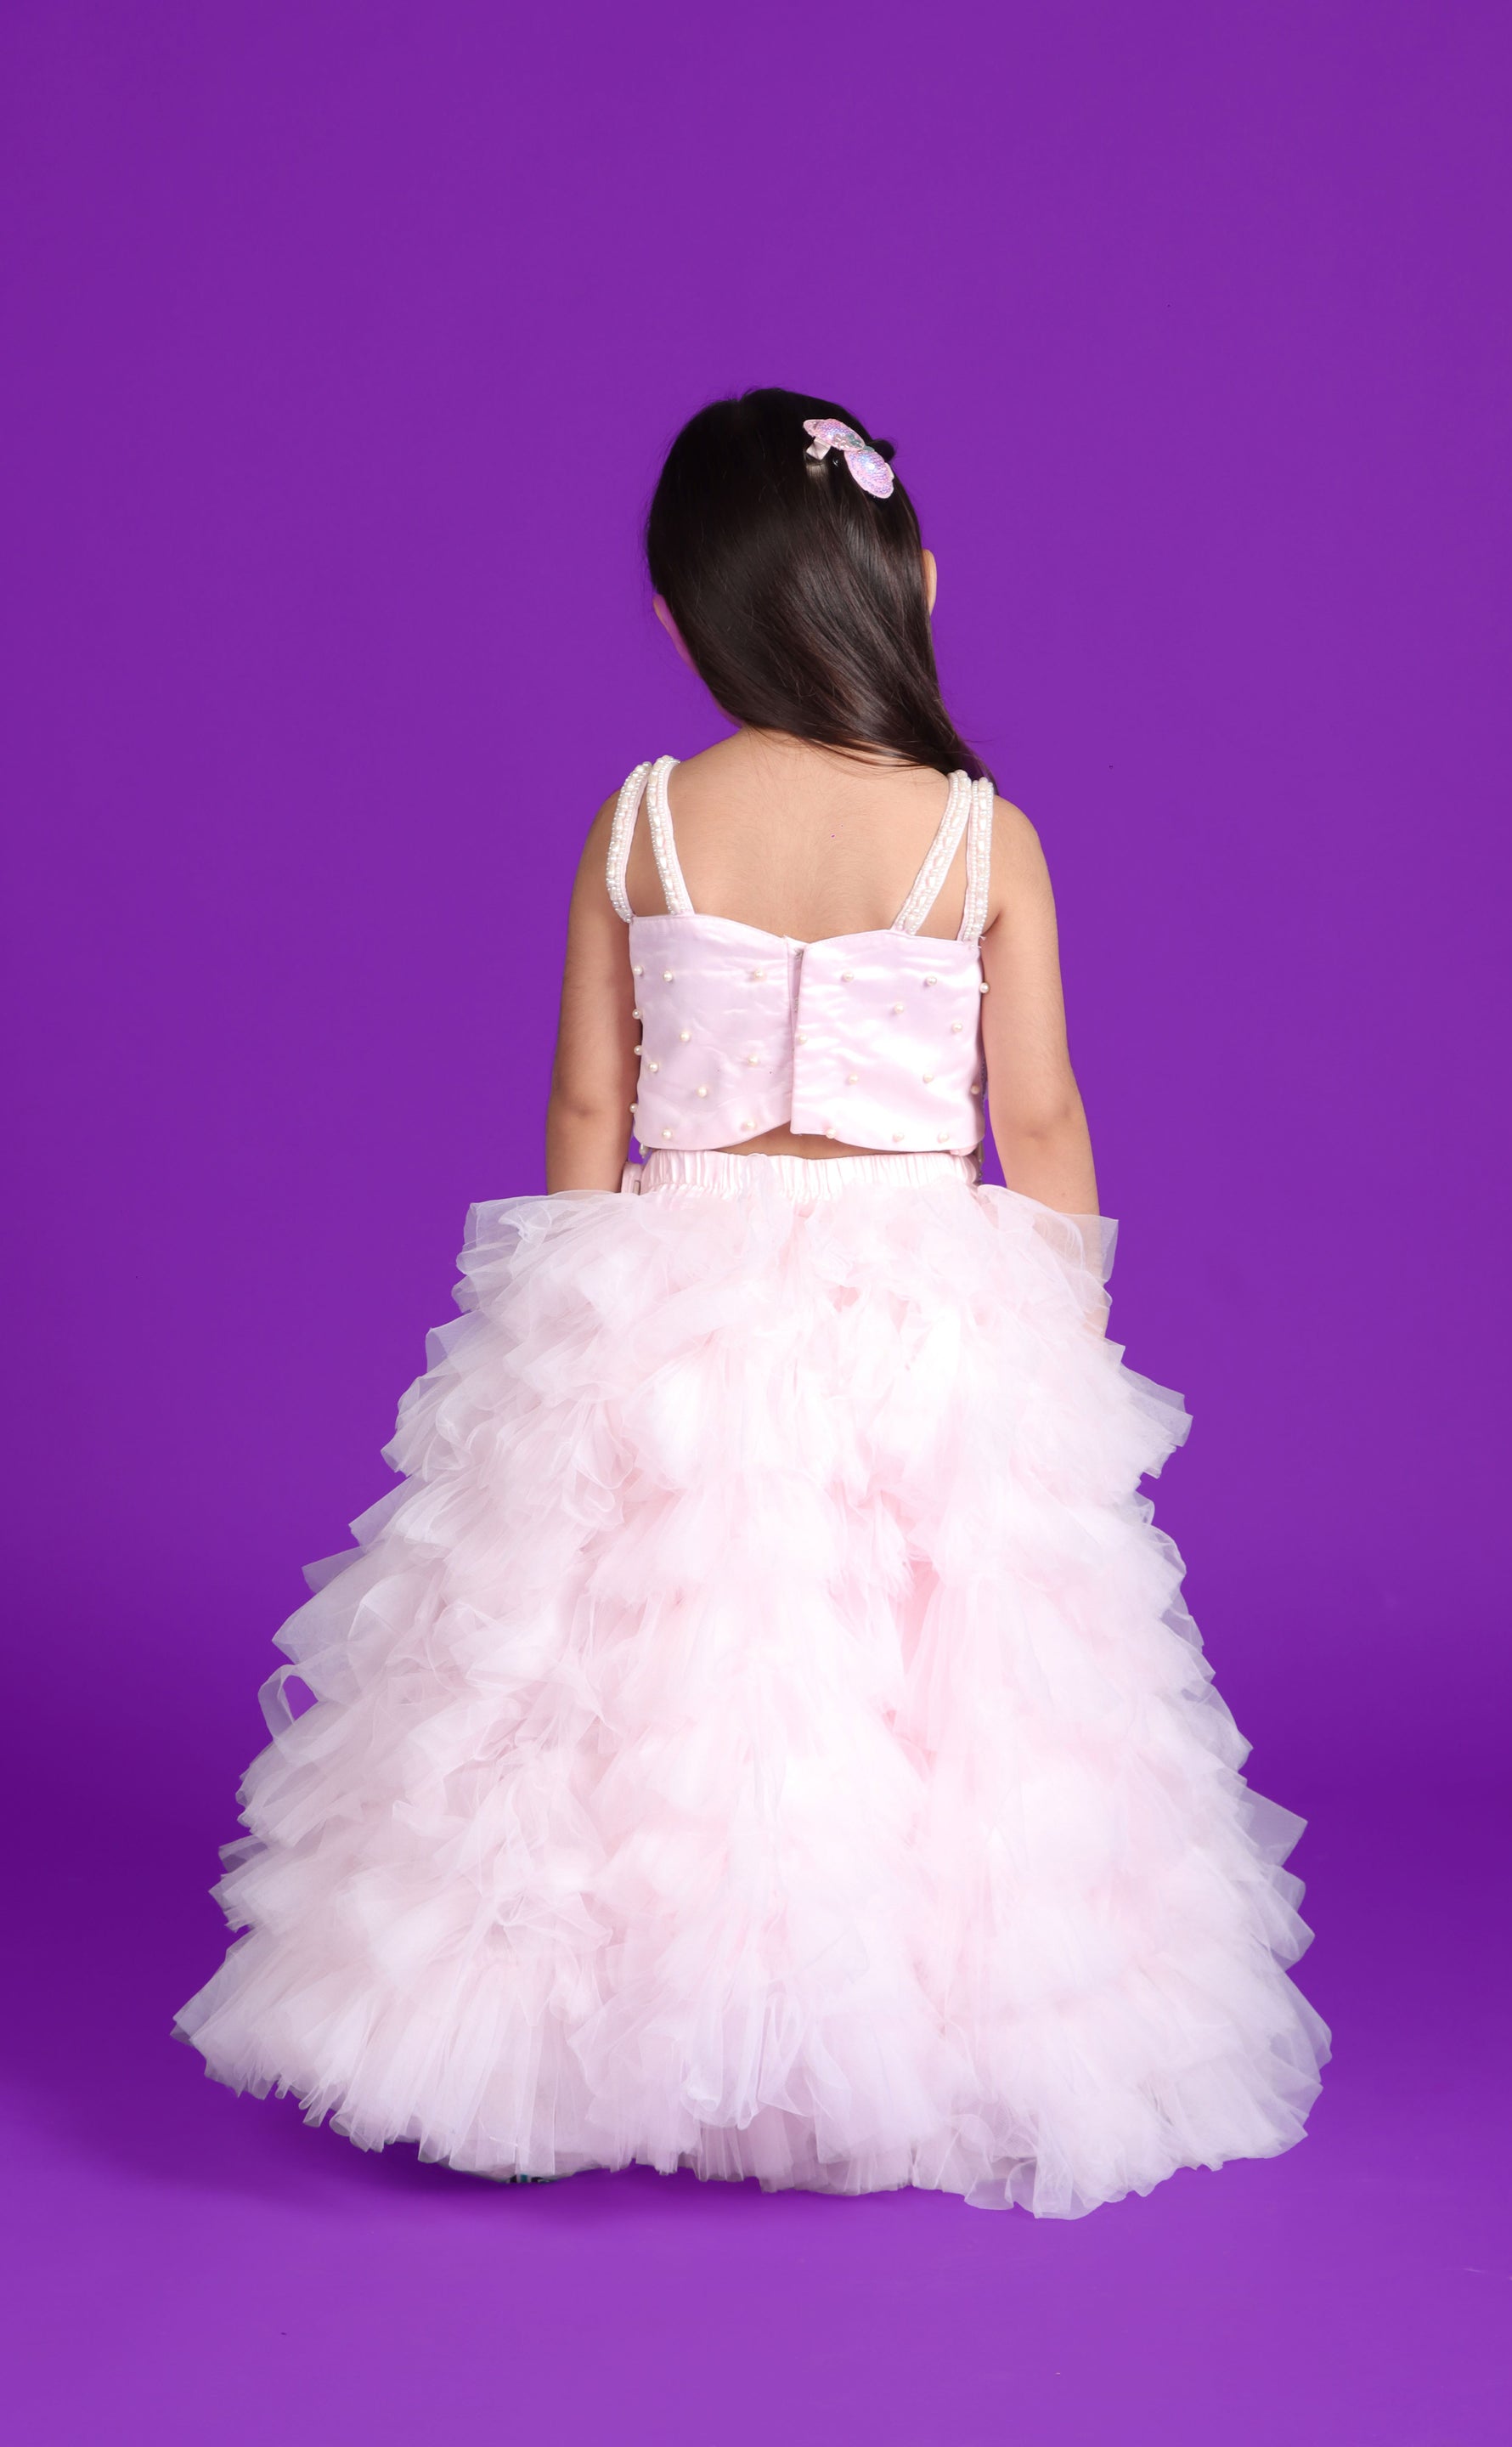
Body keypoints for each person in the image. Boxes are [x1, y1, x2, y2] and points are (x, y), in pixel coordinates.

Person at [176, 388, 1327, 2217]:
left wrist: (568, 1318)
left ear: (676, 616)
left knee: (650, 1678)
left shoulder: (641, 822)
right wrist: (1065, 1342)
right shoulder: (981, 839)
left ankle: (626, 2031)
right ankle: (905, 2038)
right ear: (913, 580)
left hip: (676, 1286)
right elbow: (1036, 1121)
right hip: (919, 1285)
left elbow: (587, 1108)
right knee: (929, 1679)